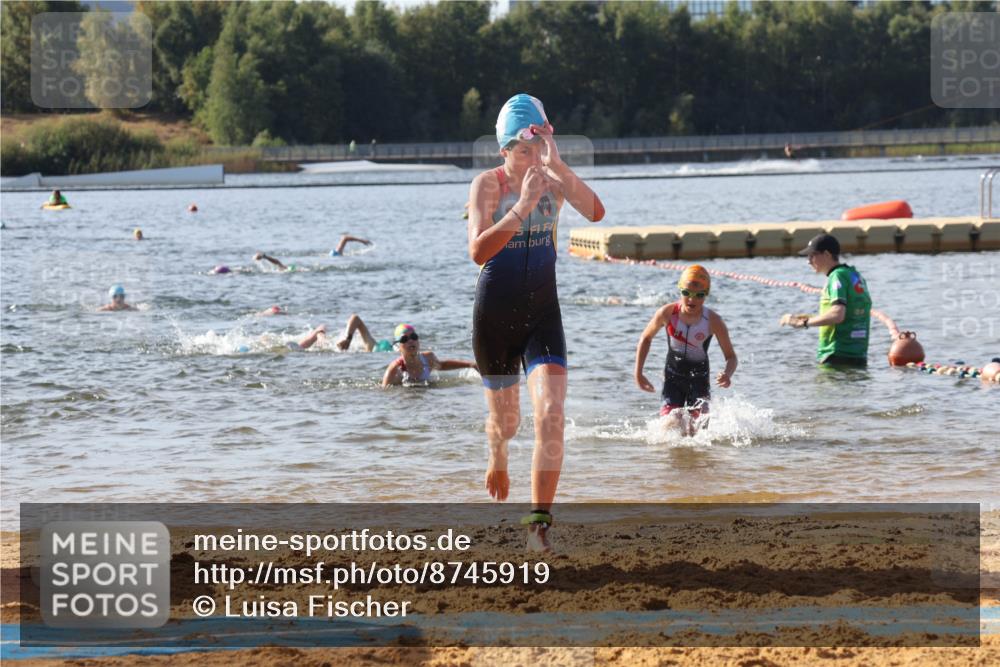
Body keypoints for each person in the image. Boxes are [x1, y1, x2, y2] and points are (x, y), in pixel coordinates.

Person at [467, 93, 605, 551]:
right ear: (504, 149)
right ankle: (498, 453)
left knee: (551, 414)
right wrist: (523, 205)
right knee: (506, 425)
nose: (531, 159)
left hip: (542, 315)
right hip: (495, 319)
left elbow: (596, 211)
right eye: (523, 150)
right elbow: (478, 252)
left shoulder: (552, 178)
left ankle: (538, 524)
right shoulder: (486, 185)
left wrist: (559, 166)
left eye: (539, 146)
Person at [634, 265, 737, 436]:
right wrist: (638, 373)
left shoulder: (713, 321)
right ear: (680, 291)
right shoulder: (667, 313)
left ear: (706, 295)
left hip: (699, 381)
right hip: (672, 379)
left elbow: (731, 357)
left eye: (699, 295)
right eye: (687, 293)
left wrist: (727, 374)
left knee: (698, 432)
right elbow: (646, 338)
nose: (692, 299)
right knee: (671, 426)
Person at [780, 234, 871, 367]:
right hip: (858, 356)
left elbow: (837, 314)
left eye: (812, 255)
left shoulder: (836, 277)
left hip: (836, 355)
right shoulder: (854, 275)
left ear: (827, 254)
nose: (808, 261)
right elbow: (849, 313)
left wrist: (803, 323)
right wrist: (809, 317)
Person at [381, 324, 477, 388]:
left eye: (414, 337)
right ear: (398, 346)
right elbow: (385, 393)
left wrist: (470, 364)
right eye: (404, 339)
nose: (410, 341)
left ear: (418, 341)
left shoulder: (428, 359)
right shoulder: (394, 370)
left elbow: (441, 365)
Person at [295, 314, 392, 352]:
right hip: (341, 343)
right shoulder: (371, 345)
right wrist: (348, 339)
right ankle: (319, 333)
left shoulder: (370, 348)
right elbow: (355, 318)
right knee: (324, 342)